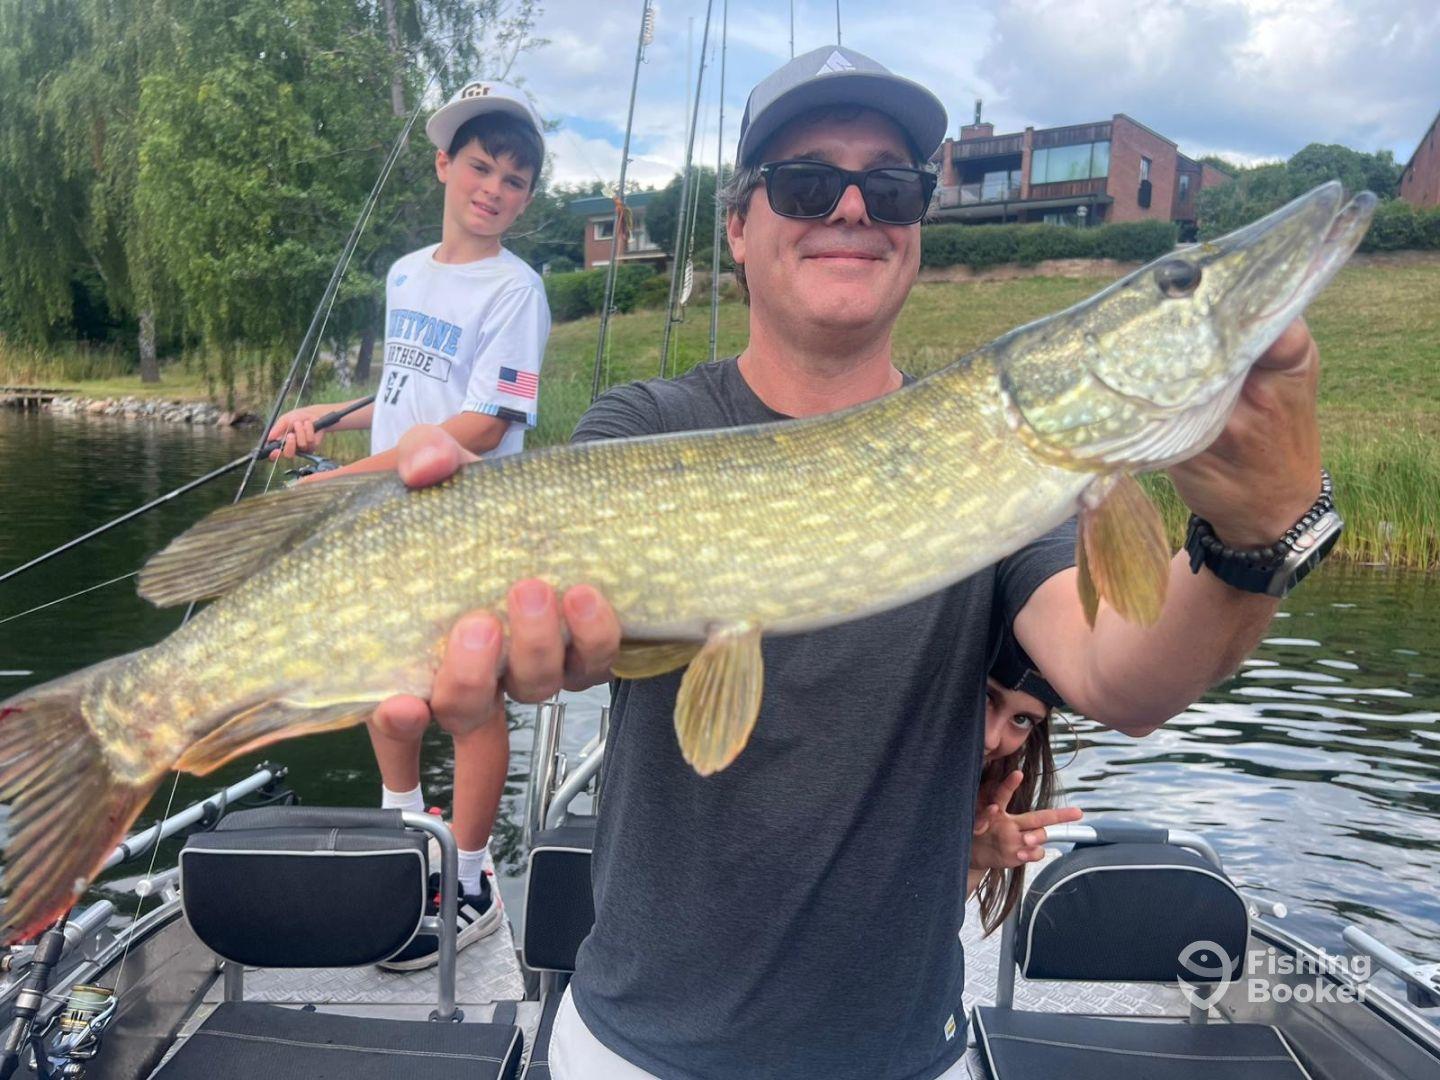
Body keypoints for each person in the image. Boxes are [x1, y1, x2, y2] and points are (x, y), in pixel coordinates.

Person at [371, 44, 1334, 1079]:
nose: (851, 207)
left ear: (916, 224)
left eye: (891, 185)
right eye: (804, 182)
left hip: (906, 1057)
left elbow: (1124, 675)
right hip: (632, 1051)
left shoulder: (1014, 462)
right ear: (738, 226)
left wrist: (1259, 535)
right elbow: (591, 635)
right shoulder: (646, 423)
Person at [267, 80, 552, 967]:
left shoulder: (518, 289)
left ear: (527, 196)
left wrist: (338, 482)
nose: (493, 188)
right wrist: (328, 416)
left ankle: (470, 879)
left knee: (470, 703)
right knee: (388, 702)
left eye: (514, 178)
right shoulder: (406, 272)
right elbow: (408, 390)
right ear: (443, 165)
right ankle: (406, 839)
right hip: (388, 515)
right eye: (479, 166)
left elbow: (482, 424)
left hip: (468, 519)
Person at [968, 633, 1082, 935]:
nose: (991, 738)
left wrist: (972, 860)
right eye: (986, 698)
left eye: (1021, 719)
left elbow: (923, 938)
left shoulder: (987, 795)